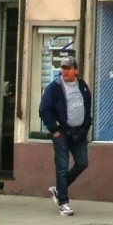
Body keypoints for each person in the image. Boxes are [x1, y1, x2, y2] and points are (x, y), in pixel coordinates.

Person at [38, 56, 93, 216]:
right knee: (61, 167)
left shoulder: (82, 86)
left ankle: (58, 189)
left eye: (68, 68)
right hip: (62, 132)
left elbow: (87, 107)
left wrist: (85, 126)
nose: (65, 71)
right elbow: (44, 109)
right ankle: (63, 202)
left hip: (79, 133)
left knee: (82, 163)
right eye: (63, 68)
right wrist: (54, 129)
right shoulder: (54, 88)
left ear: (75, 70)